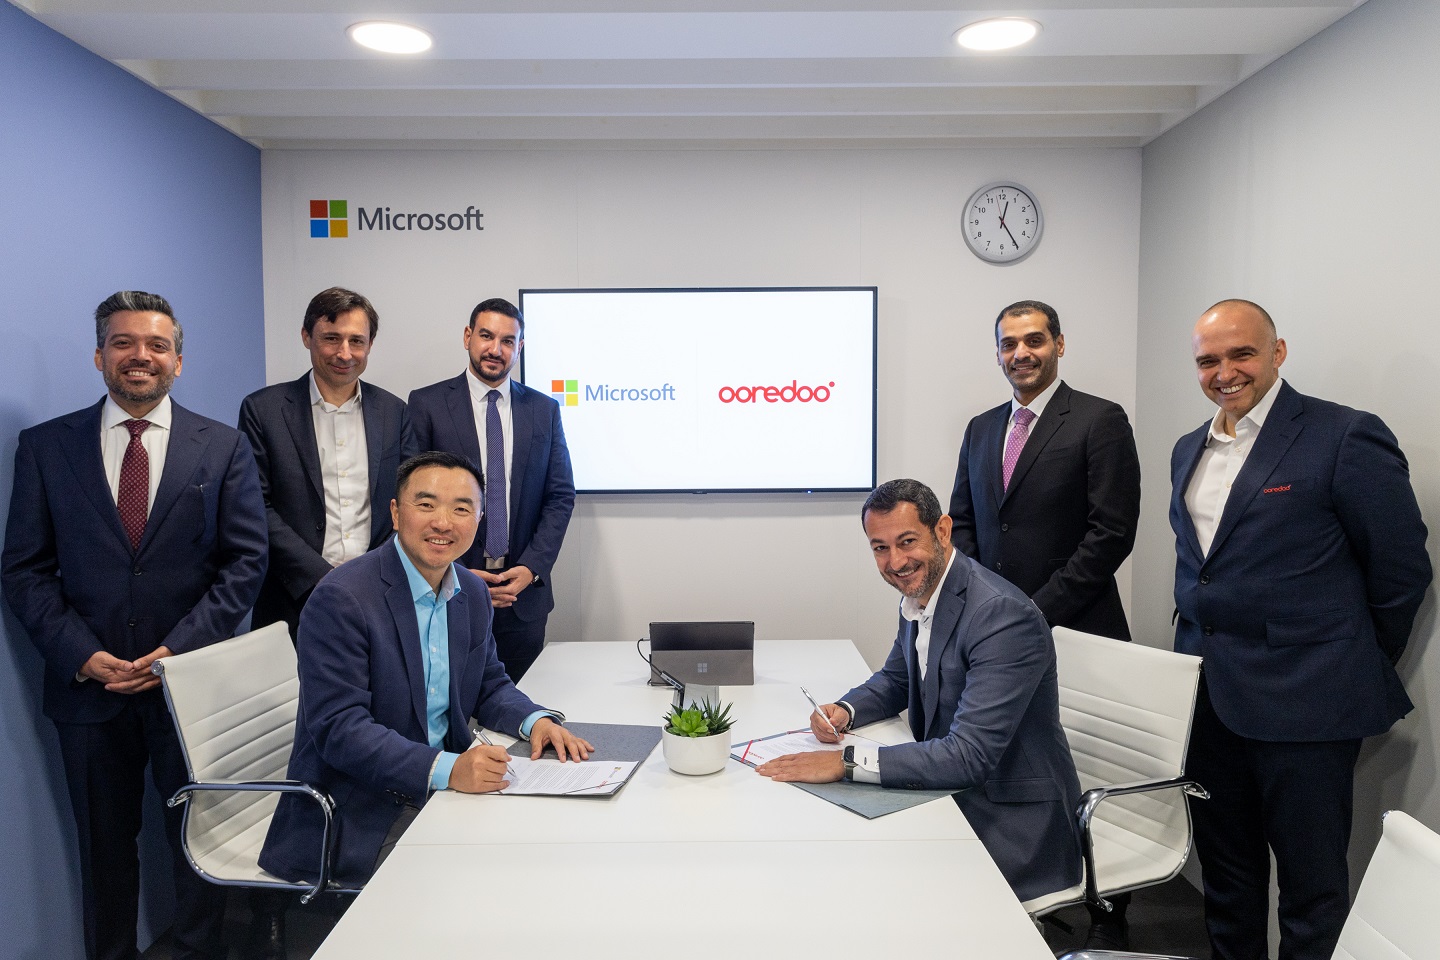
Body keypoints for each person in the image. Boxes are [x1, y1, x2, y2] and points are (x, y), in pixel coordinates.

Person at [2, 291, 268, 960]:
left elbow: (245, 564)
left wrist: (177, 650)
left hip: (192, 689)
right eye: (123, 343)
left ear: (179, 360)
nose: (140, 356)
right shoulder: (45, 447)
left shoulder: (224, 447)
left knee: (200, 849)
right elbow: (25, 569)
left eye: (156, 345)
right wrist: (81, 655)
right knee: (104, 852)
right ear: (99, 356)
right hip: (88, 694)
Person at [1170, 299, 1431, 960]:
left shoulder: (1343, 435)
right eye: (1208, 360)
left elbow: (1401, 569)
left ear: (1277, 352)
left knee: (1312, 891)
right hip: (1208, 701)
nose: (1225, 372)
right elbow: (1202, 568)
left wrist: (1348, 659)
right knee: (1227, 881)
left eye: (1242, 354)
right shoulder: (1188, 449)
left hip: (1307, 703)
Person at [259, 451, 591, 886]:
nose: (443, 522)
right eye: (427, 504)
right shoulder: (341, 598)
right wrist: (449, 769)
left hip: (439, 792)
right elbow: (341, 731)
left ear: (479, 519)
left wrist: (536, 722)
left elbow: (488, 683)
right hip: (357, 807)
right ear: (396, 513)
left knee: (551, 846)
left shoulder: (470, 591)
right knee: (486, 880)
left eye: (462, 508)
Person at [756, 478, 1082, 905]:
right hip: (948, 790)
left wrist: (846, 762)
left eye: (907, 541)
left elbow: (968, 757)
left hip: (1012, 822)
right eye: (880, 547)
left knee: (870, 883)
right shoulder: (922, 594)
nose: (895, 561)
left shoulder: (1001, 616)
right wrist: (846, 709)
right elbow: (898, 679)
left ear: (942, 531)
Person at [947, 299, 1140, 947]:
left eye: (1033, 340)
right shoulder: (981, 428)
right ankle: (1027, 882)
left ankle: (1108, 913)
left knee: (1085, 763)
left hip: (1078, 629)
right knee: (1015, 760)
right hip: (996, 636)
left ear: (1059, 343)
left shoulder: (1098, 420)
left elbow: (1110, 534)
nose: (1020, 353)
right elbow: (965, 523)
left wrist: (1030, 612)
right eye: (1008, 344)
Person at [407, 297, 575, 681]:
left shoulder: (544, 410)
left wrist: (531, 568)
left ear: (520, 347)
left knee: (517, 704)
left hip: (522, 596)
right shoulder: (427, 404)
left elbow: (560, 495)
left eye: (507, 341)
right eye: (486, 336)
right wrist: (455, 570)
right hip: (448, 589)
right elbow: (414, 500)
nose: (495, 349)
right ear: (468, 336)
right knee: (449, 704)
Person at [237, 286, 416, 642]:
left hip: (380, 595)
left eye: (356, 341)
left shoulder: (394, 411)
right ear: (307, 337)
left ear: (370, 344)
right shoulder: (263, 410)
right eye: (331, 338)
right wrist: (320, 576)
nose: (344, 353)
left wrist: (372, 573)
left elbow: (408, 499)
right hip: (291, 600)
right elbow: (255, 504)